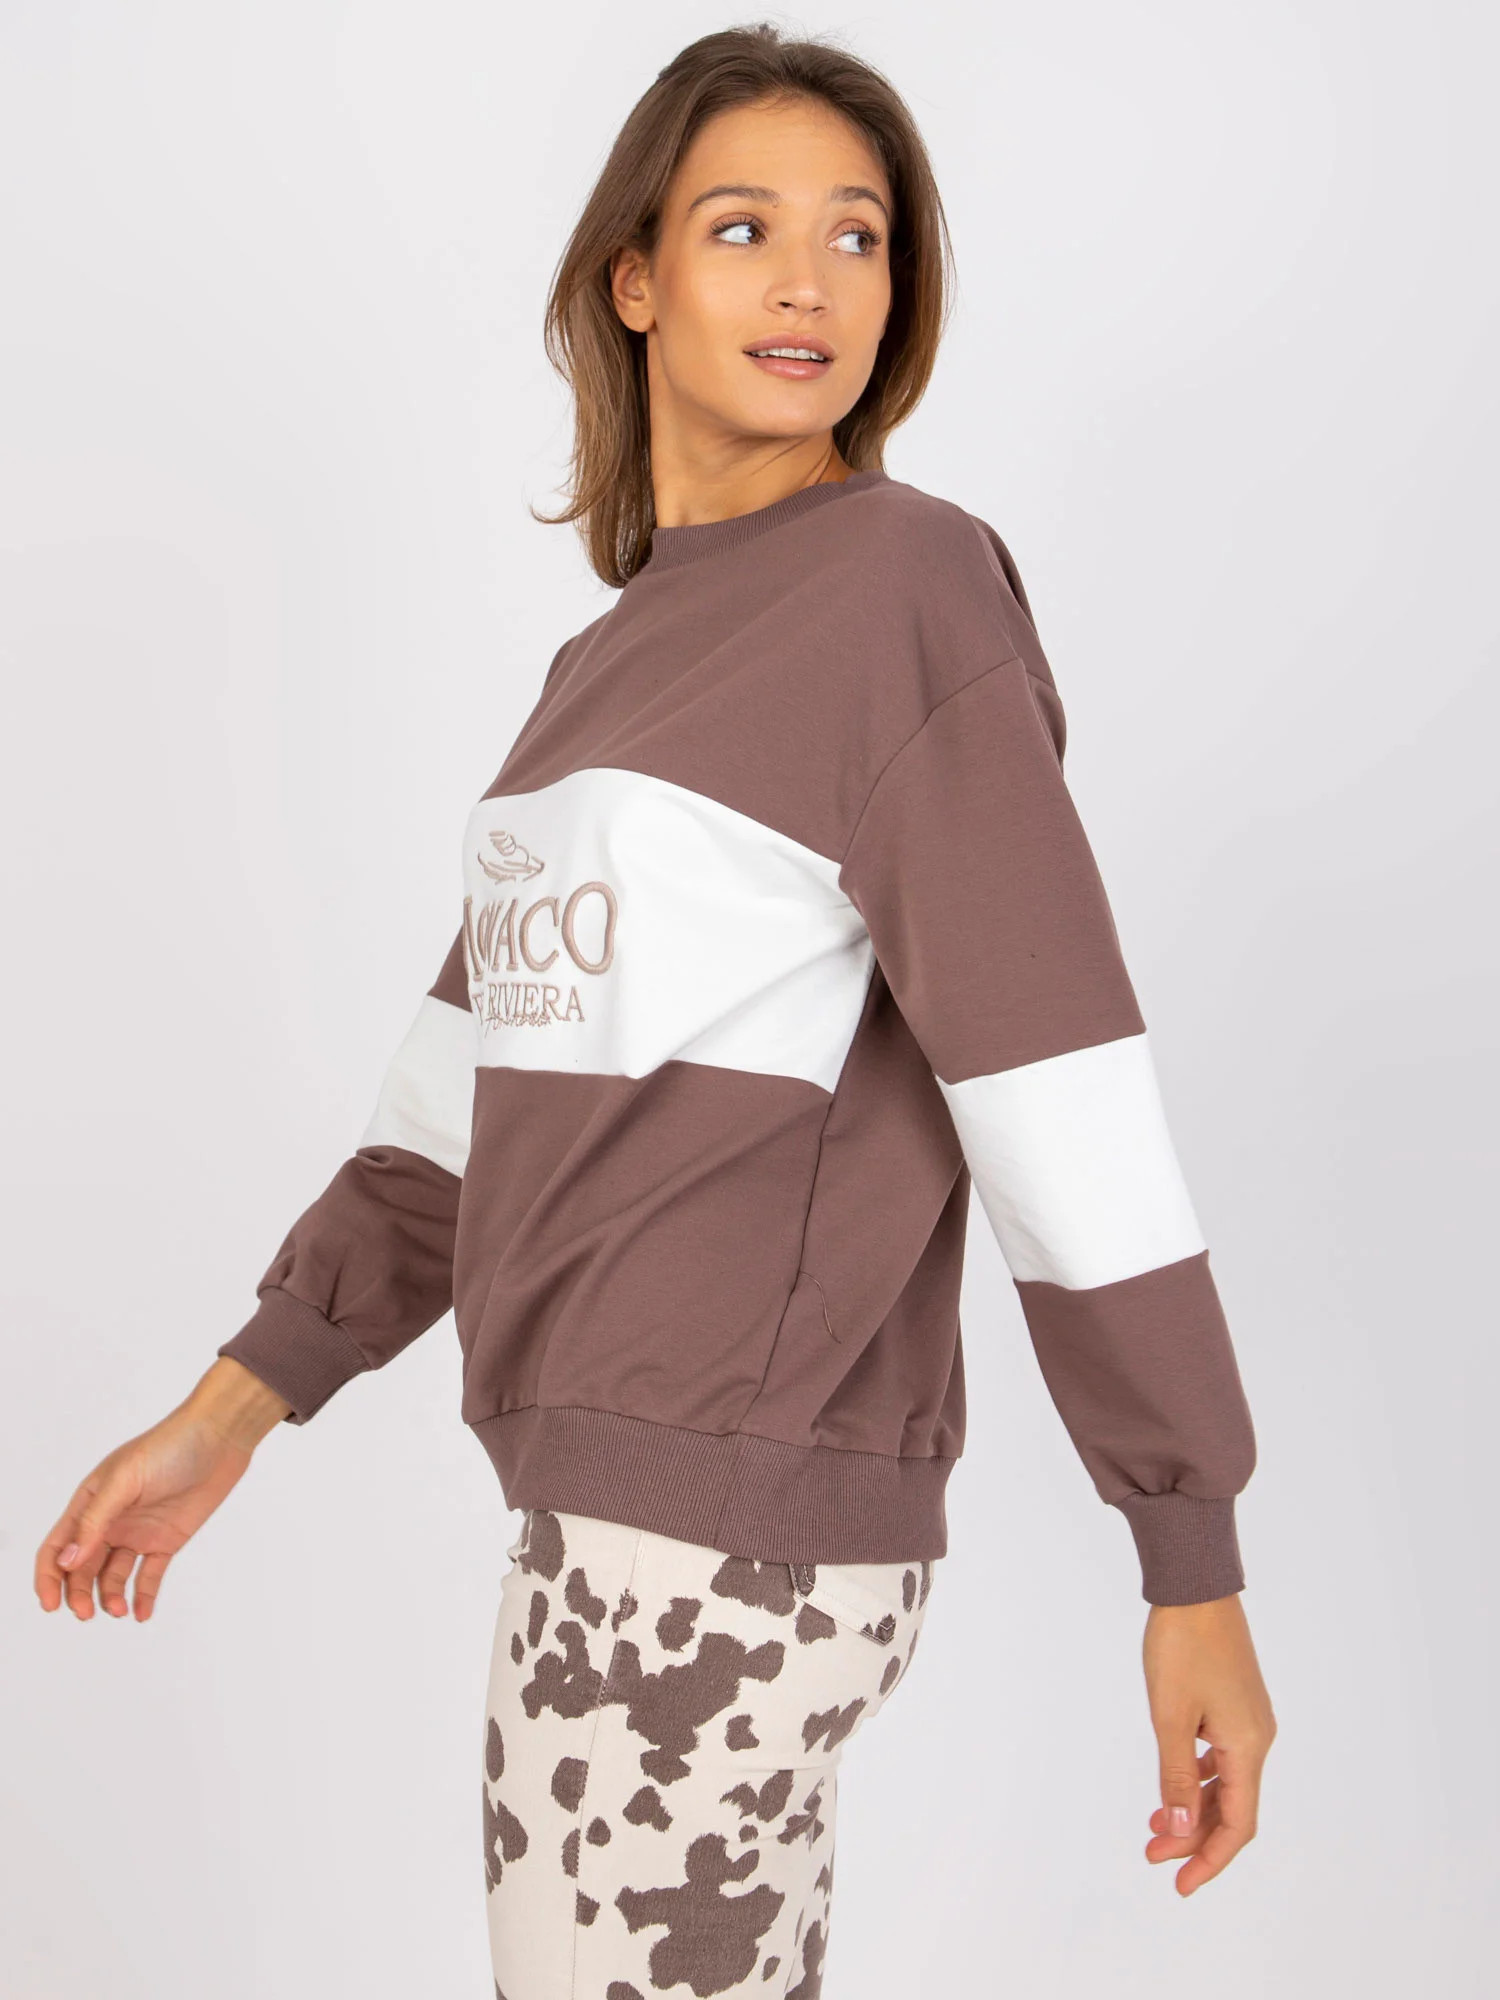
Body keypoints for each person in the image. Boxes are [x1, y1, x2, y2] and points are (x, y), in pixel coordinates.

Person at [34, 21, 1276, 1996]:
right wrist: (232, 1406)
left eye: (859, 236)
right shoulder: (604, 668)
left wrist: (1186, 1552)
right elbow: (463, 1110)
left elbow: (1056, 1084)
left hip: (719, 1549)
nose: (811, 284)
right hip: (614, 1530)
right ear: (634, 277)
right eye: (744, 227)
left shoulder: (904, 590)